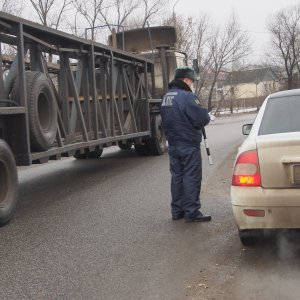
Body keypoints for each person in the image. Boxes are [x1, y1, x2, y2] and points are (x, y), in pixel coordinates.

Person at [161, 67, 211, 222]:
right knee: (191, 176)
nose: (193, 84)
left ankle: (177, 211)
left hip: (174, 144)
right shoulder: (187, 97)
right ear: (187, 80)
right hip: (188, 144)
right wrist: (206, 115)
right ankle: (192, 211)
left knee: (177, 176)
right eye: (192, 81)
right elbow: (202, 119)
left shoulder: (167, 97)